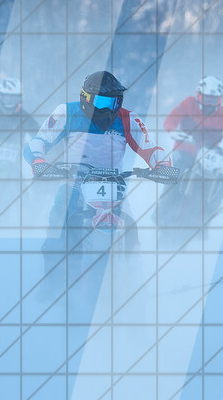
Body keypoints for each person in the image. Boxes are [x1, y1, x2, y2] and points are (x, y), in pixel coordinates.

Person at [23, 70, 169, 290]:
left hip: (114, 187)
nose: (109, 109)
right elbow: (39, 141)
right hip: (73, 183)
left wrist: (162, 166)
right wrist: (38, 161)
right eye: (102, 101)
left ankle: (135, 284)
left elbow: (151, 148)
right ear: (86, 98)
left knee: (130, 229)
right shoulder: (66, 113)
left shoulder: (129, 118)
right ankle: (50, 288)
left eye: (114, 102)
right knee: (56, 230)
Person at [164, 75, 223, 168]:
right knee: (177, 175)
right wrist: (172, 130)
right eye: (206, 99)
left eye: (214, 100)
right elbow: (171, 119)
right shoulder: (189, 103)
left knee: (219, 179)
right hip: (184, 151)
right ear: (198, 95)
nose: (210, 104)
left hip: (210, 156)